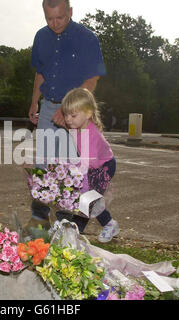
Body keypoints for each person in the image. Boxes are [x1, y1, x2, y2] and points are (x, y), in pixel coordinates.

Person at [26, 0, 106, 230]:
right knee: (42, 164)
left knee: (69, 167)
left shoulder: (87, 38)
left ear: (70, 12)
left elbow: (93, 78)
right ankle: (39, 220)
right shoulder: (41, 37)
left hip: (75, 112)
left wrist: (67, 109)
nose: (54, 23)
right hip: (47, 106)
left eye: (60, 18)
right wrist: (34, 102)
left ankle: (64, 222)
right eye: (49, 18)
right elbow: (40, 73)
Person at [56, 87, 119, 242]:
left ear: (88, 114)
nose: (68, 119)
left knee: (87, 199)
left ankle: (76, 231)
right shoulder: (77, 127)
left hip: (105, 166)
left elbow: (84, 165)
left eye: (73, 115)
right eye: (66, 114)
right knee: (89, 200)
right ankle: (105, 224)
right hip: (91, 164)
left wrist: (78, 182)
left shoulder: (91, 134)